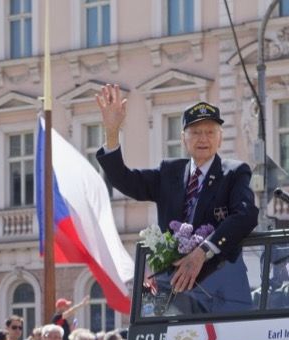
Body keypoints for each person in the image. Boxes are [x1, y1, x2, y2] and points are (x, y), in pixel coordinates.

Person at [95, 85, 257, 311]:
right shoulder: (169, 172)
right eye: (196, 132)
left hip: (223, 286)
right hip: (175, 286)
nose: (203, 138)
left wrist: (203, 251)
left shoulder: (234, 172)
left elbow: (246, 215)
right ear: (183, 138)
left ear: (220, 139)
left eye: (210, 132)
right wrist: (112, 132)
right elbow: (125, 181)